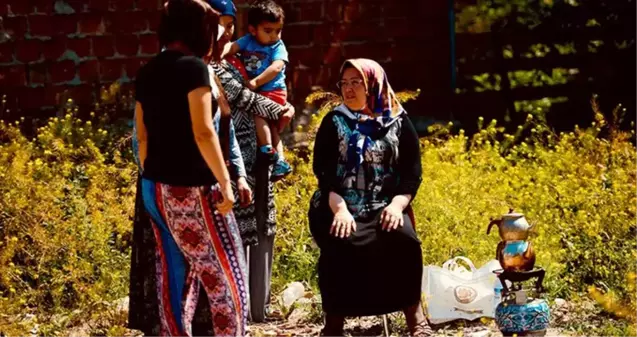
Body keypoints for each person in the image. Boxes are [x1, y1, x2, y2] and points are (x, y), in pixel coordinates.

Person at [132, 0, 248, 335]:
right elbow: (203, 130)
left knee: (175, 276)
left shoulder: (147, 70)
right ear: (199, 30)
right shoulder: (194, 69)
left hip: (155, 187)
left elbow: (141, 135)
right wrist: (225, 182)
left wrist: (153, 174)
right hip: (193, 189)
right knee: (225, 275)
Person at [309, 59, 433, 337]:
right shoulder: (335, 121)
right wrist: (340, 209)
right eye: (345, 83)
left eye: (357, 82)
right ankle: (334, 323)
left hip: (385, 204)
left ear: (373, 85)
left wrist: (397, 205)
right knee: (340, 240)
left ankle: (415, 316)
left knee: (405, 240)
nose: (349, 89)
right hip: (340, 202)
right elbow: (324, 172)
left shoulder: (398, 120)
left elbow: (412, 172)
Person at [210, 0, 295, 322]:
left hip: (260, 156)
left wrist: (279, 113)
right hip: (231, 163)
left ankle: (257, 309)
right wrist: (282, 112)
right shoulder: (214, 66)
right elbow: (243, 97)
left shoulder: (236, 60)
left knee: (262, 226)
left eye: (229, 25)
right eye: (221, 25)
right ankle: (238, 310)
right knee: (238, 231)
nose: (225, 32)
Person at [222, 0, 292, 182]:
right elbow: (233, 46)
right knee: (271, 127)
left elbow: (277, 68)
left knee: (259, 116)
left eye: (278, 31)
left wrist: (255, 82)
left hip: (273, 90)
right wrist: (220, 53)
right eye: (268, 31)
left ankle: (268, 149)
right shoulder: (248, 41)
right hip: (260, 93)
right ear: (253, 30)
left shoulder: (277, 46)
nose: (274, 36)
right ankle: (280, 160)